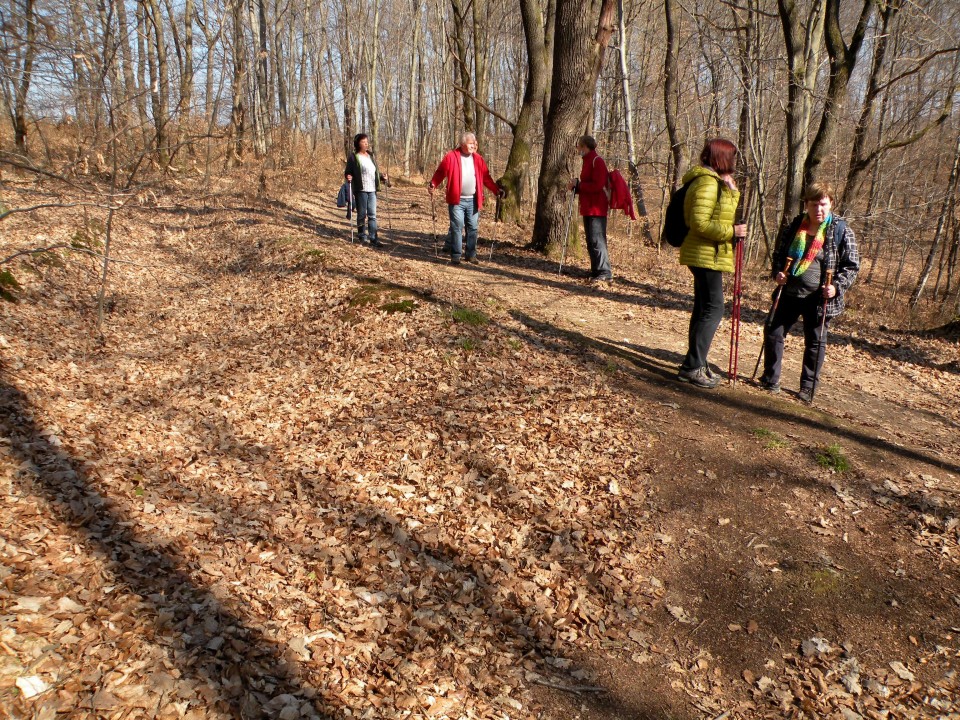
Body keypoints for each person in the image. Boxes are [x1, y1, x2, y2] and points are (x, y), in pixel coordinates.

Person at [759, 183, 860, 403]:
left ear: (831, 204)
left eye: (823, 204)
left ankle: (807, 388)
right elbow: (779, 253)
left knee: (815, 342)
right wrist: (778, 273)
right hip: (790, 292)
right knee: (773, 332)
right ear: (807, 205)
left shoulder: (841, 230)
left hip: (820, 298)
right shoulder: (796, 226)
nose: (819, 210)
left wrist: (837, 287)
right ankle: (770, 378)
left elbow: (852, 265)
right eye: (814, 205)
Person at [676, 138, 747, 389]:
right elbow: (700, 223)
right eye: (732, 157)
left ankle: (694, 362)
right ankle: (693, 366)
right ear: (722, 158)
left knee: (704, 307)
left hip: (707, 254)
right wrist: (732, 232)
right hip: (705, 254)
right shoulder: (706, 183)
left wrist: (733, 191)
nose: (735, 162)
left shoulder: (713, 182)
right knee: (714, 308)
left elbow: (720, 211)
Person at [429, 132, 504, 265]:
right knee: (457, 227)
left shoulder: (478, 159)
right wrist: (433, 184)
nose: (473, 146)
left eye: (474, 143)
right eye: (470, 143)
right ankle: (456, 255)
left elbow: (486, 178)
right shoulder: (451, 157)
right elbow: (440, 172)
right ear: (463, 144)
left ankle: (471, 255)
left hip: (474, 200)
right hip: (456, 200)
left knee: (473, 227)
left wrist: (496, 190)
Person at [568, 135, 612, 282]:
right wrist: (577, 186)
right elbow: (588, 185)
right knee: (590, 239)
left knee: (597, 240)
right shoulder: (586, 161)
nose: (578, 149)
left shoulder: (597, 161)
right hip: (588, 206)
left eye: (579, 146)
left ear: (585, 147)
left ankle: (604, 272)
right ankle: (596, 270)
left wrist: (579, 185)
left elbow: (598, 185)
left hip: (597, 208)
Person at [344, 133, 389, 247]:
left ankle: (374, 238)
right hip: (361, 189)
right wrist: (348, 176)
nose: (366, 143)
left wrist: (381, 177)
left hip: (372, 189)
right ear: (358, 143)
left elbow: (374, 172)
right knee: (362, 214)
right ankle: (362, 237)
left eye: (367, 141)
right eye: (363, 142)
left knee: (372, 214)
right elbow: (348, 171)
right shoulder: (354, 157)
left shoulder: (370, 156)